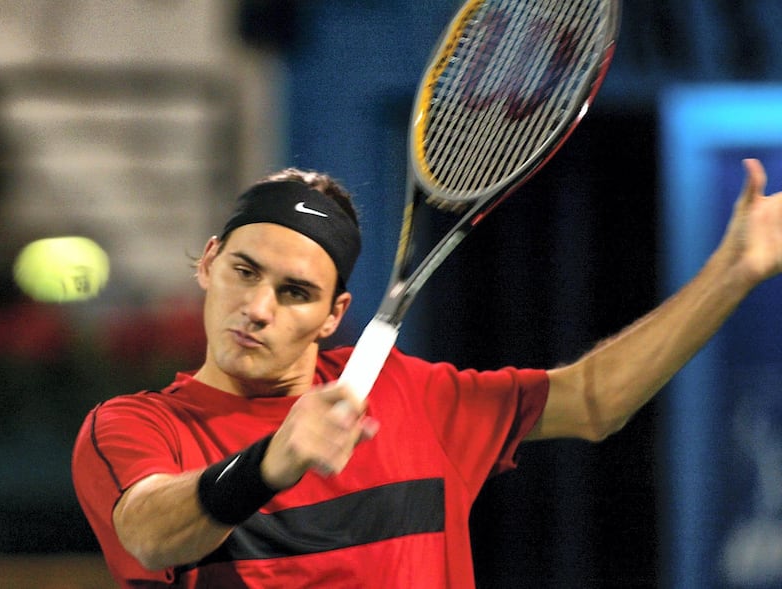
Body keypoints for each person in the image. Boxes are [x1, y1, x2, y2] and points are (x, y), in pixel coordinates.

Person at [72, 159, 782, 588]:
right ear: (207, 261)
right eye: (243, 272)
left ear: (332, 314)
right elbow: (150, 532)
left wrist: (732, 272)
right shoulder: (135, 425)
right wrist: (270, 462)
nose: (257, 308)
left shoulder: (407, 394)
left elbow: (593, 399)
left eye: (295, 292)